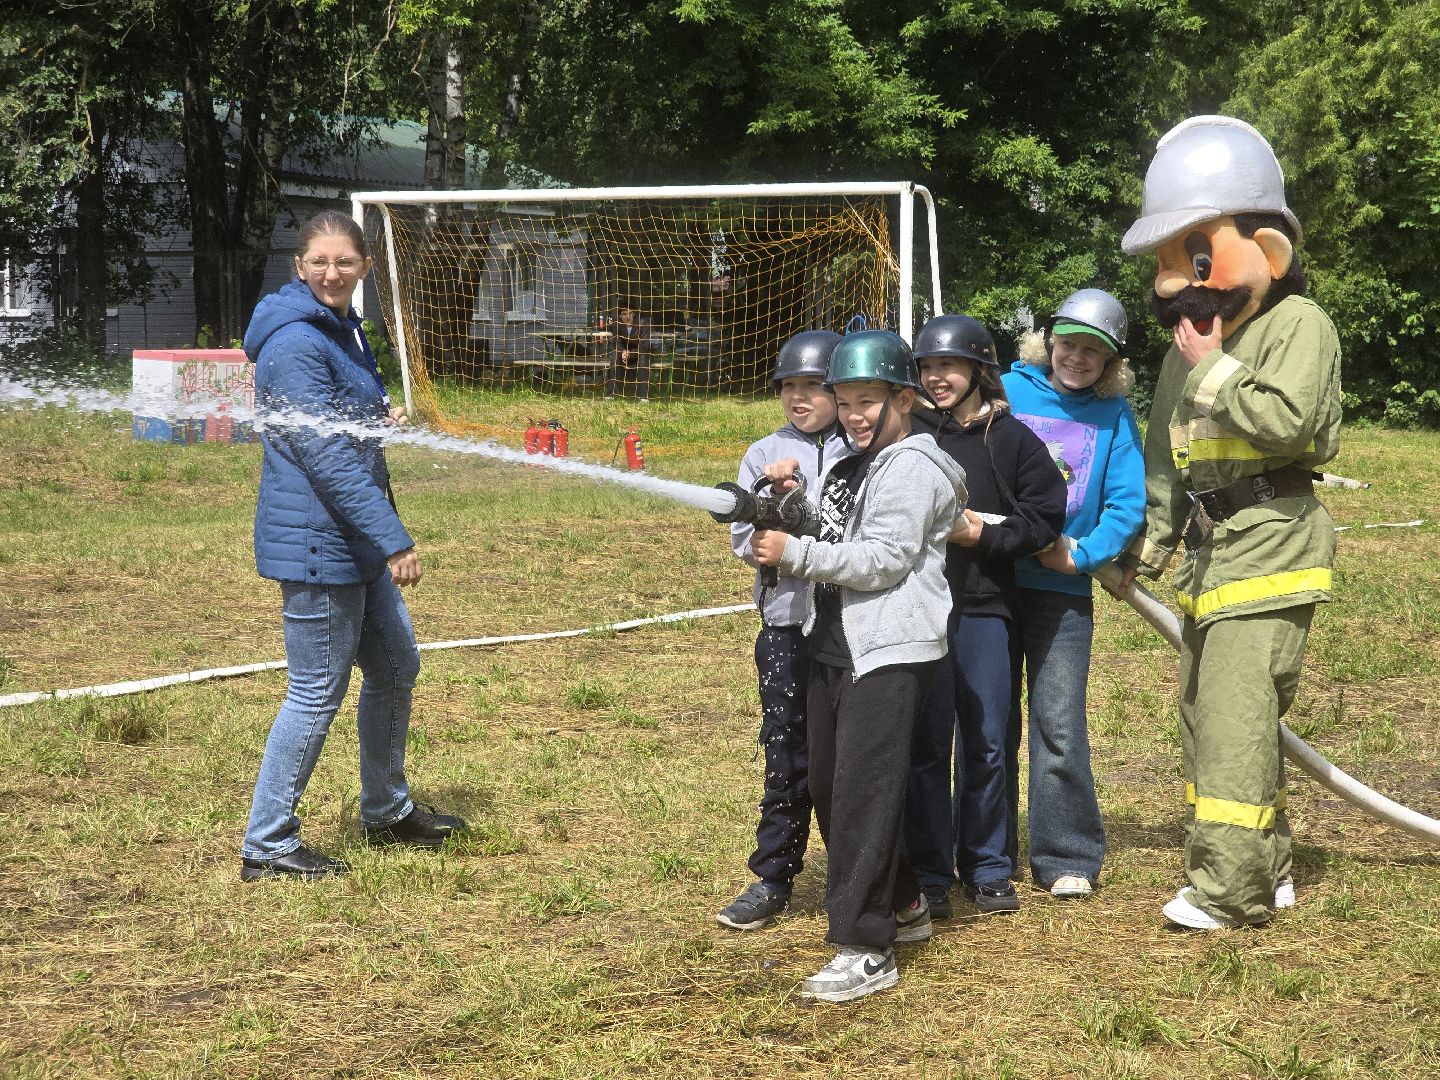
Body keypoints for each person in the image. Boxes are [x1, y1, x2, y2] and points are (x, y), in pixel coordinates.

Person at [1115, 116, 1343, 929]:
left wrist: (1212, 367)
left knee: (1238, 724)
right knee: (1211, 724)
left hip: (1274, 548)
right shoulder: (1190, 350)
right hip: (1212, 565)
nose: (1178, 285)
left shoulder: (1297, 326)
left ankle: (1229, 891)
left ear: (1266, 247)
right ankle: (1265, 869)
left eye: (1197, 258)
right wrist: (1137, 555)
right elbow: (1165, 470)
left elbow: (1286, 426)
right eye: (1171, 267)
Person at [239, 209, 464, 881]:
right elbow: (327, 460)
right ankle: (268, 844)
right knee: (314, 691)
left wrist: (376, 413)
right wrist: (394, 539)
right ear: (299, 268)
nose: (332, 272)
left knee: (395, 666)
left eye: (345, 262)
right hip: (318, 542)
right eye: (319, 262)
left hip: (352, 539)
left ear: (365, 268)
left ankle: (386, 811)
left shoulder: (342, 327)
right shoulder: (295, 342)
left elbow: (344, 418)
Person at [751, 330, 966, 1003]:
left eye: (867, 400)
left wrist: (793, 552)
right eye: (843, 402)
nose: (853, 415)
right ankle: (903, 905)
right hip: (835, 643)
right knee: (825, 785)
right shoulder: (855, 462)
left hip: (890, 652)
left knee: (865, 795)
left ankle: (865, 947)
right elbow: (832, 533)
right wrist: (786, 503)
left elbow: (881, 560)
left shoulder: (914, 468)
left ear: (904, 397)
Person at [904, 315, 1067, 917]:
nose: (936, 378)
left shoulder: (1011, 438)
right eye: (926, 367)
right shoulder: (907, 435)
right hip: (917, 610)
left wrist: (982, 537)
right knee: (924, 746)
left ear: (979, 370)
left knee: (989, 740)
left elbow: (1045, 518)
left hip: (983, 608)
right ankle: (927, 871)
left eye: (948, 366)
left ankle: (989, 865)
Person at [1002, 289, 1146, 900]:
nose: (1078, 358)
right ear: (1047, 343)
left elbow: (1126, 505)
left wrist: (1080, 554)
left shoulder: (1114, 418)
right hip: (992, 586)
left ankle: (1067, 855)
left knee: (1058, 721)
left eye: (1094, 351)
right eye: (1069, 344)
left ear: (1111, 363)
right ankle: (983, 852)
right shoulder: (1008, 394)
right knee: (984, 721)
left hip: (1061, 592)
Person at [716, 330, 849, 932]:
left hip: (851, 628)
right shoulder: (761, 452)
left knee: (850, 752)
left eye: (813, 386)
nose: (799, 397)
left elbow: (850, 532)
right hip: (786, 625)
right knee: (785, 748)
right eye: (788, 386)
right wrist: (772, 500)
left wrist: (804, 502)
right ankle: (774, 873)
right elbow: (751, 545)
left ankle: (863, 869)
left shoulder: (861, 445)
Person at [606, 305, 652, 401]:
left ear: (634, 313)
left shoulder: (643, 323)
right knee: (614, 358)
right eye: (624, 314)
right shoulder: (616, 325)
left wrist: (630, 352)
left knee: (644, 360)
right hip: (623, 353)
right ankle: (612, 394)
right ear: (619, 315)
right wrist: (622, 351)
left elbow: (644, 345)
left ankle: (643, 396)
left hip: (639, 354)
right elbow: (615, 342)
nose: (628, 317)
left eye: (630, 313)